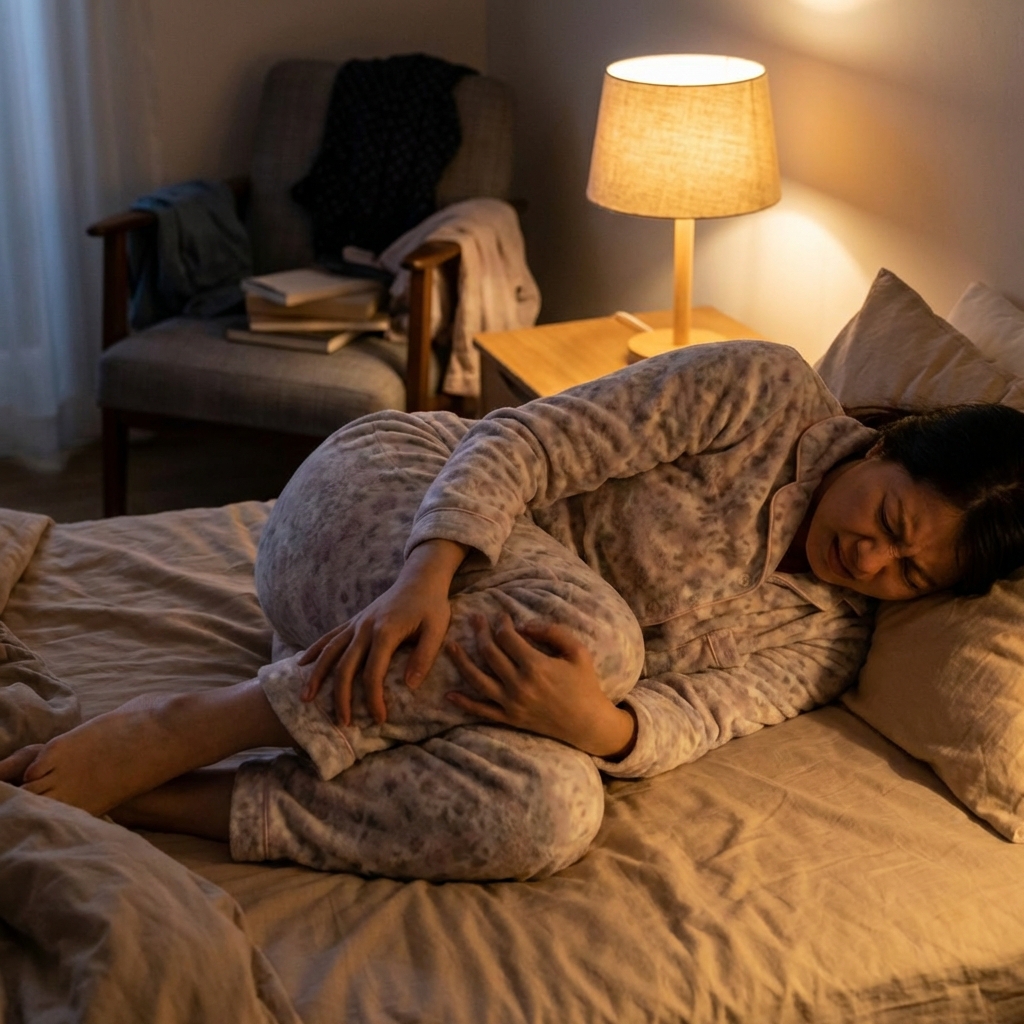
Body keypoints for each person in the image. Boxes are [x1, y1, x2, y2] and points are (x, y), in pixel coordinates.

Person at [3, 342, 1024, 881]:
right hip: (386, 508)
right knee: (604, 637)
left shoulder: (832, 639)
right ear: (888, 446)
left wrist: (599, 727)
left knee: (553, 810)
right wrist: (426, 573)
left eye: (908, 573)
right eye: (890, 519)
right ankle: (194, 725)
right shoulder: (765, 392)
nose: (871, 558)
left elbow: (705, 712)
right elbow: (522, 441)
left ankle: (164, 800)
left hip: (376, 661)